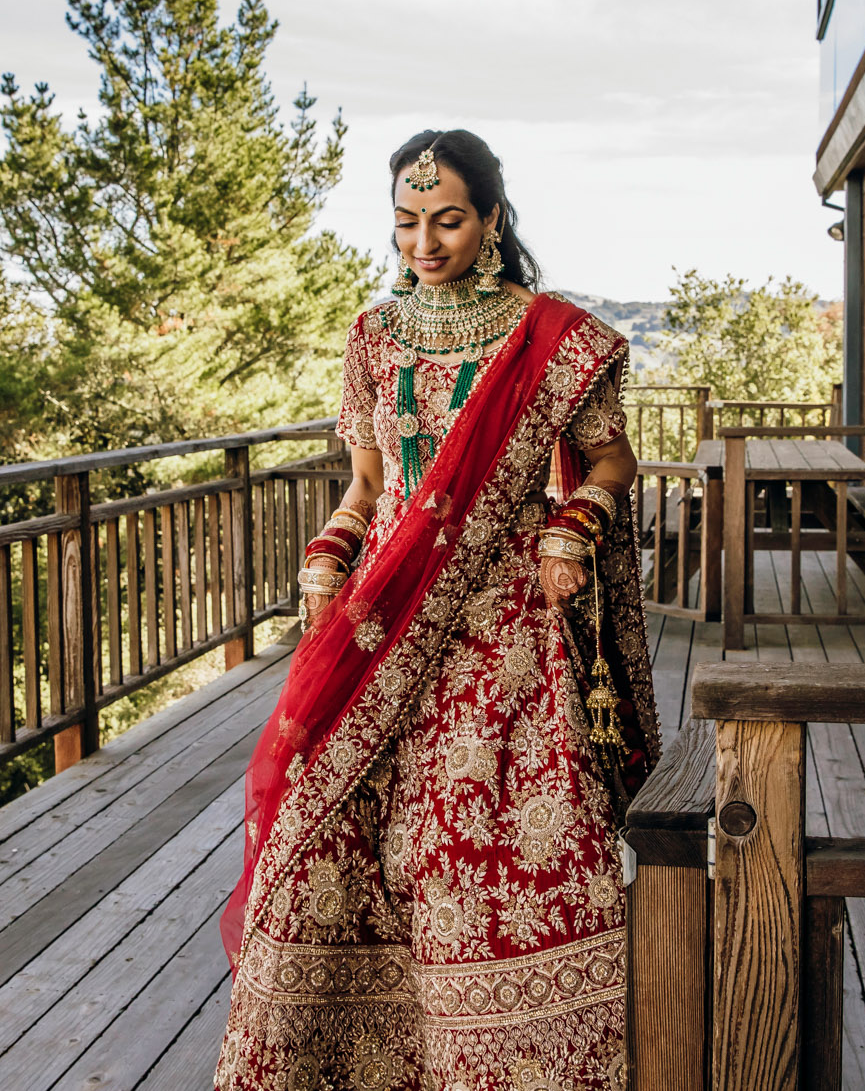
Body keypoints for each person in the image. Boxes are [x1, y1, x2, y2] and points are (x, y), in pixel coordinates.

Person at [215, 129, 660, 1091]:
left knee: (471, 838)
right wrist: (332, 546)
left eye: (448, 218)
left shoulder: (549, 334)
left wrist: (575, 520)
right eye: (408, 222)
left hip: (503, 621)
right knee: (317, 829)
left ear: (493, 219)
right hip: (383, 617)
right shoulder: (374, 336)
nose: (425, 240)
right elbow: (368, 480)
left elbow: (613, 456)